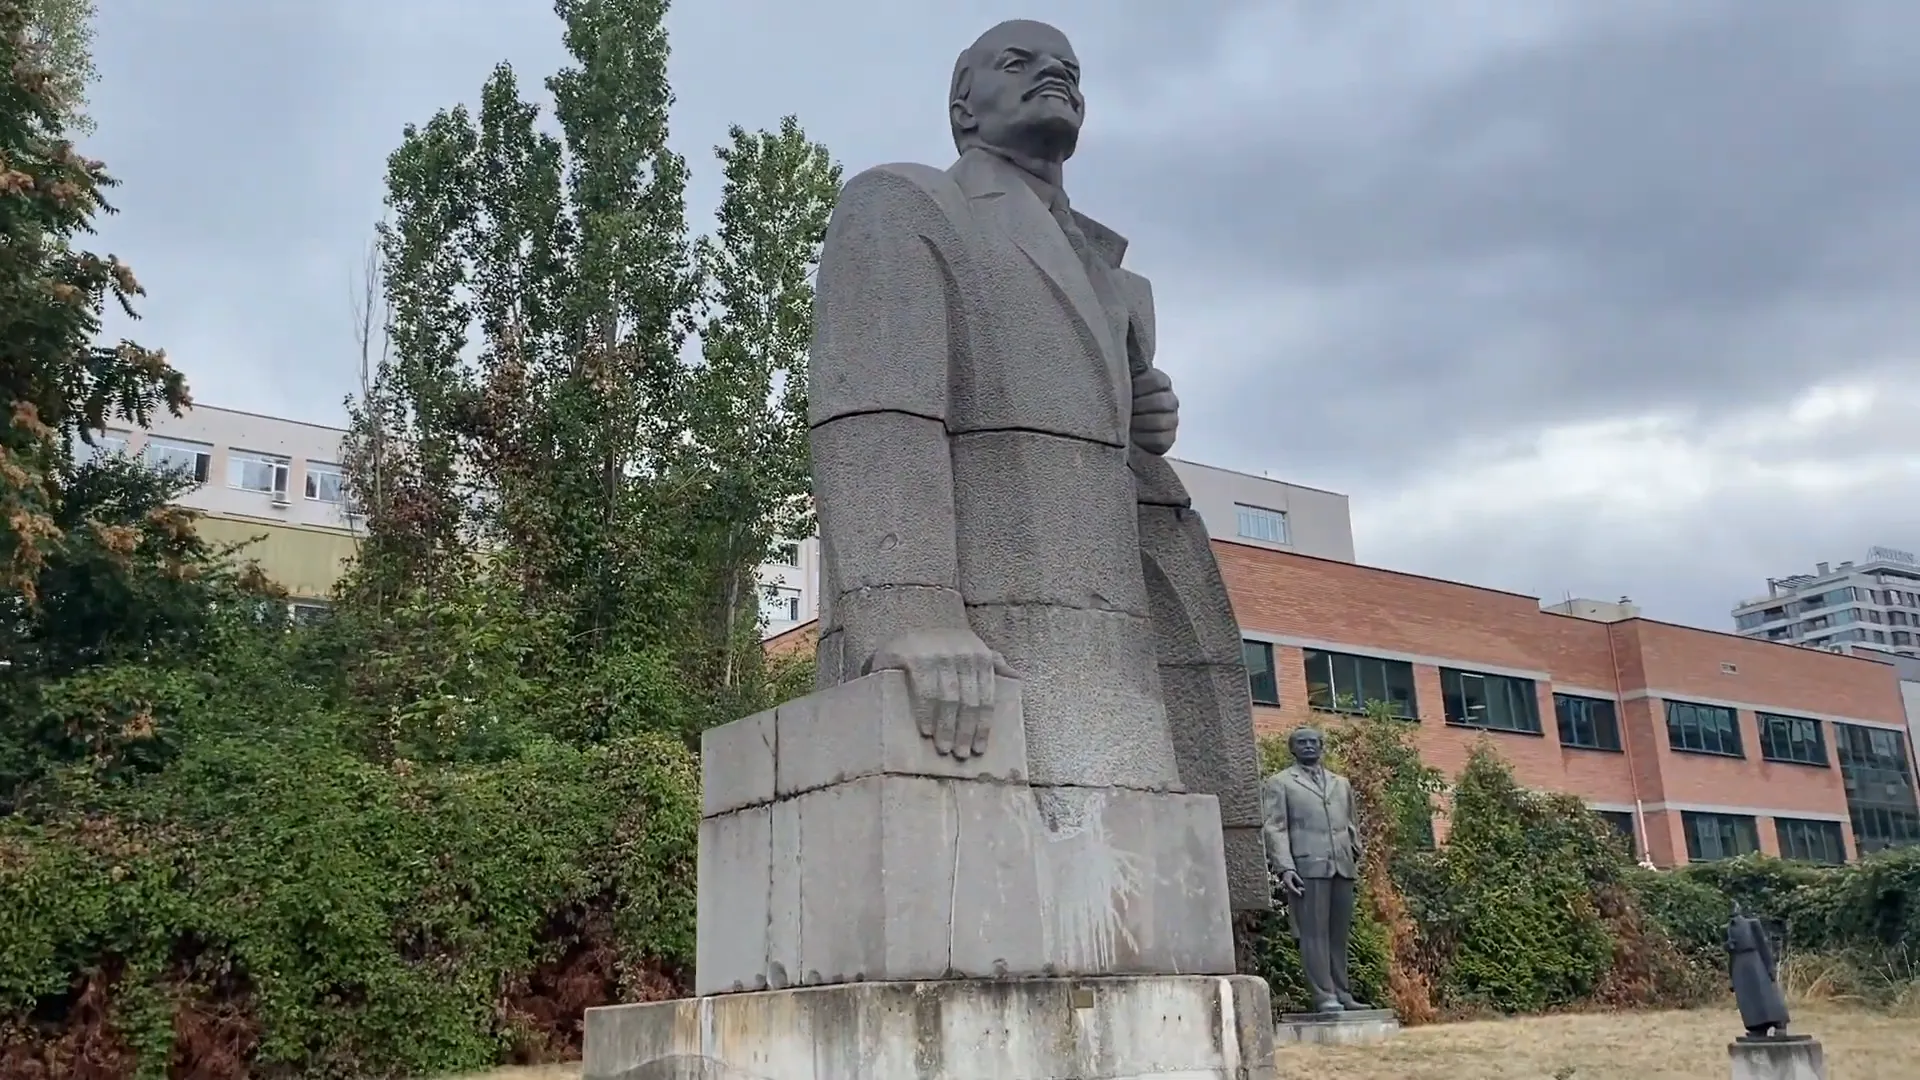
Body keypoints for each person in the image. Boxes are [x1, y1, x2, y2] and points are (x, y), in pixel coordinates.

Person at [1262, 727, 1371, 1012]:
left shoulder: (1341, 783)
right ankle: (1325, 996)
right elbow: (1275, 828)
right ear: (1293, 749)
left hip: (1341, 866)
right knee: (1314, 935)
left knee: (1338, 934)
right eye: (1302, 743)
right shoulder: (1280, 783)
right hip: (1306, 867)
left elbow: (1351, 823)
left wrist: (1353, 849)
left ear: (1321, 746)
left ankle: (1343, 993)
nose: (1308, 746)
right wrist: (1285, 868)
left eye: (1313, 742)